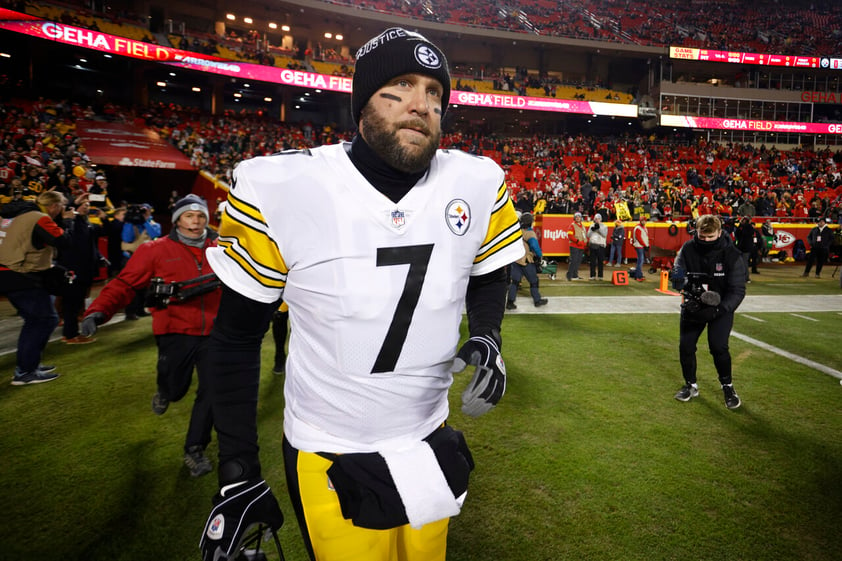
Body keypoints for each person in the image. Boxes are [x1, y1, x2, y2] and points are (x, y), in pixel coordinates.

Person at [199, 27, 524, 561]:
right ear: (362, 102)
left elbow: (489, 272)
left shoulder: (477, 180)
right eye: (401, 85)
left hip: (428, 436)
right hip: (330, 447)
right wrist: (237, 472)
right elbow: (234, 340)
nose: (422, 105)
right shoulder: (280, 186)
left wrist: (488, 334)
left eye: (436, 94)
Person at [80, 194, 221, 476]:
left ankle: (194, 448)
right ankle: (166, 390)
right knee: (176, 388)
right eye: (189, 216)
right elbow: (124, 283)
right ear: (178, 219)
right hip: (174, 331)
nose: (196, 222)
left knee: (214, 391)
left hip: (216, 333)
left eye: (201, 216)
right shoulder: (154, 250)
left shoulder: (223, 248)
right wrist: (98, 311)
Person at [0, 190, 78, 385]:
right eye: (61, 206)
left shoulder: (15, 215)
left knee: (35, 320)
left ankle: (30, 365)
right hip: (21, 274)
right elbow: (63, 241)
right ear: (54, 206)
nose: (62, 210)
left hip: (9, 271)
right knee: (44, 320)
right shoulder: (38, 217)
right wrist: (67, 222)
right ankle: (25, 371)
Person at [672, 214, 746, 410]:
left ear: (719, 233)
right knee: (686, 346)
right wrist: (681, 283)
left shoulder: (731, 254)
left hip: (720, 309)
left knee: (718, 347)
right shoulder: (687, 248)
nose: (705, 241)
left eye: (710, 237)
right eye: (701, 236)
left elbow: (737, 290)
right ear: (696, 232)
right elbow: (678, 273)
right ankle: (690, 385)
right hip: (694, 305)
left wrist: (719, 310)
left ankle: (728, 386)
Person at [56, 199, 105, 343]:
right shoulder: (70, 222)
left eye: (88, 205)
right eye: (83, 205)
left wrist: (104, 219)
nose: (86, 208)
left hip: (84, 268)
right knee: (71, 302)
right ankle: (70, 335)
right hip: (72, 268)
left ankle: (73, 333)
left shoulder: (86, 222)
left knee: (77, 301)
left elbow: (101, 232)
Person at [506, 212, 548, 309]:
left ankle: (510, 302)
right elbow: (534, 246)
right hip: (526, 260)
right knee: (533, 281)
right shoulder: (530, 233)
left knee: (515, 282)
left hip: (516, 259)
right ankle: (537, 300)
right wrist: (540, 255)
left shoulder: (516, 231)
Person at [734, 215, 756, 282]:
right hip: (743, 247)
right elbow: (738, 234)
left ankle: (745, 277)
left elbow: (740, 234)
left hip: (744, 247)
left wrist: (741, 227)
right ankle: (743, 277)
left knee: (744, 263)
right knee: (742, 263)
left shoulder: (747, 227)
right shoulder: (746, 227)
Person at [566, 212, 586, 281]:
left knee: (578, 261)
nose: (578, 218)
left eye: (579, 217)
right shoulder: (572, 226)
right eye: (576, 217)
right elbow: (570, 236)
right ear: (574, 218)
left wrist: (585, 242)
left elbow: (584, 236)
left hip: (581, 246)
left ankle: (575, 275)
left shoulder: (582, 226)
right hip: (574, 246)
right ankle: (569, 275)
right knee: (573, 261)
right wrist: (577, 241)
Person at [587, 213, 608, 280]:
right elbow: (588, 235)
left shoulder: (604, 226)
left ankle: (600, 275)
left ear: (600, 219)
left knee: (600, 261)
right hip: (593, 244)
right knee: (592, 261)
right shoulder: (591, 225)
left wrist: (598, 229)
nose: (597, 220)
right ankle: (592, 275)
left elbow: (604, 235)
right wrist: (592, 230)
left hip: (600, 245)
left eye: (598, 219)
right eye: (596, 219)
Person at [272, 300, 289, 375]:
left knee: (299, 322)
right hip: (282, 291)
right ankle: (279, 357)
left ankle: (297, 359)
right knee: (279, 317)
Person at [631, 215, 649, 281]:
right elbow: (639, 238)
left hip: (642, 245)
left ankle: (639, 274)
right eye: (642, 221)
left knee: (640, 261)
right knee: (640, 261)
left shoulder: (643, 227)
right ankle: (638, 276)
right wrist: (645, 245)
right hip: (639, 246)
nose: (644, 222)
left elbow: (645, 237)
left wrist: (647, 244)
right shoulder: (638, 228)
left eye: (644, 221)